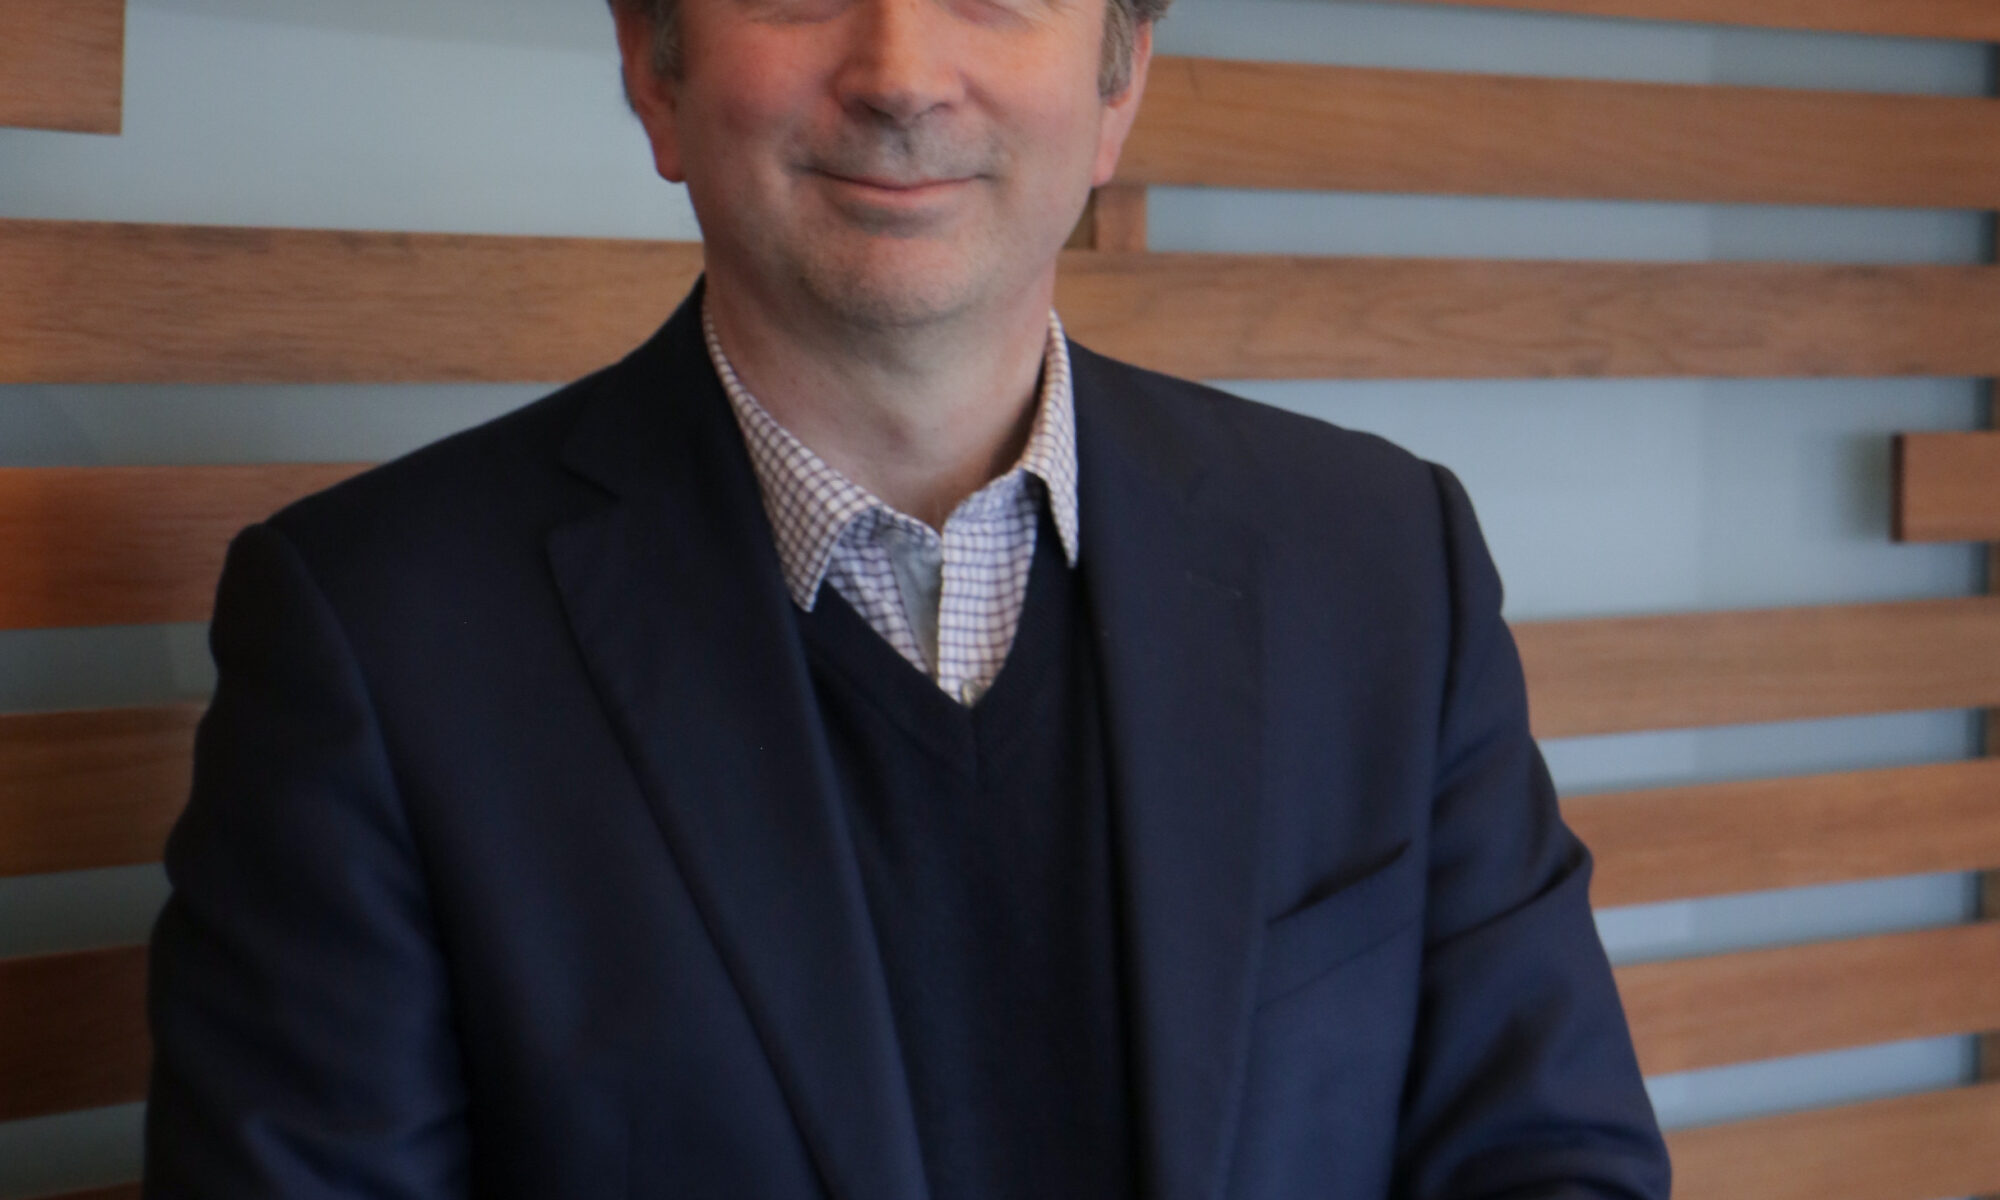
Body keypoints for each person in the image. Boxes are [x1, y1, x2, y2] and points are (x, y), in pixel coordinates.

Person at [143, 0, 1671, 1196]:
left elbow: (1551, 1162)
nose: (900, 73)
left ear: (1119, 84)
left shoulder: (1381, 564)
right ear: (651, 67)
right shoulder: (373, 639)